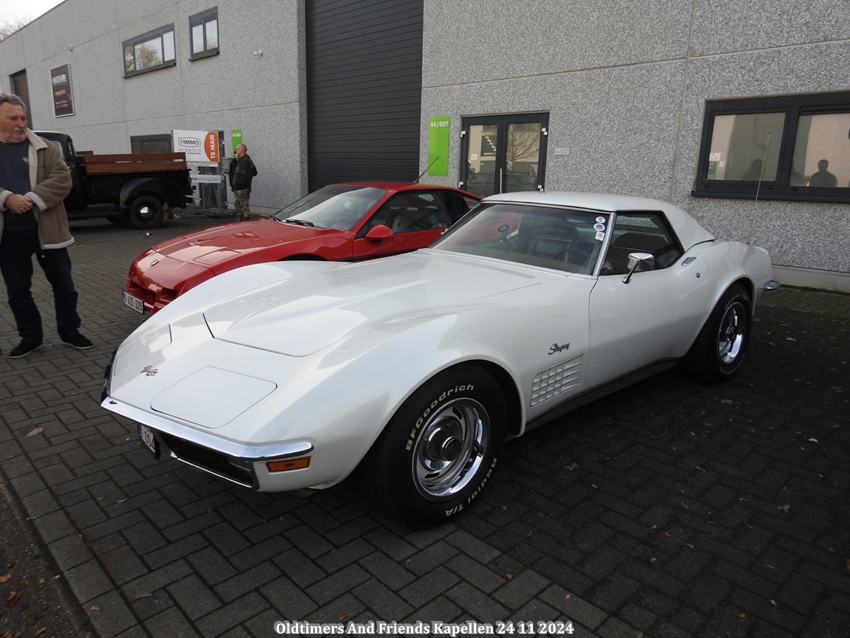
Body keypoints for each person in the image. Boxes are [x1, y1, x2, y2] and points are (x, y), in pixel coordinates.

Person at [0, 93, 92, 358]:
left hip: (49, 231)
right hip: (9, 236)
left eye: (23, 117)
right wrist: (7, 199)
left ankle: (70, 331)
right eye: (13, 118)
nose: (21, 123)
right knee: (18, 291)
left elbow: (62, 179)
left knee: (64, 285)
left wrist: (30, 199)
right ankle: (31, 337)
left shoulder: (45, 147)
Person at [228, 143, 257, 220]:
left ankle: (245, 219)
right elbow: (233, 172)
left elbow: (253, 172)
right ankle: (240, 217)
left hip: (242, 187)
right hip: (237, 187)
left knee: (244, 205)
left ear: (242, 150)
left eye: (237, 149)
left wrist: (240, 182)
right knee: (237, 204)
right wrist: (235, 160)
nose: (235, 150)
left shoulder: (246, 160)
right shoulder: (239, 161)